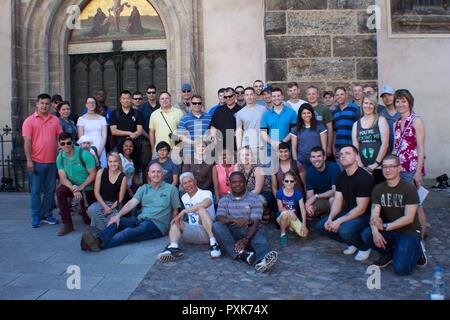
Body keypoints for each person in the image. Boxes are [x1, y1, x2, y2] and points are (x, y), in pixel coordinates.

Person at [80, 163, 181, 251]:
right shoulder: (144, 188)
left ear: (163, 174)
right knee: (117, 222)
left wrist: (171, 227)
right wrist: (118, 216)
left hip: (157, 225)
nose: (156, 174)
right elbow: (131, 203)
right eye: (153, 172)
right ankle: (96, 240)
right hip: (140, 220)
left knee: (128, 232)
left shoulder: (171, 189)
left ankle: (98, 244)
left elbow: (176, 209)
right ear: (149, 174)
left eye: (159, 172)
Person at [361, 155, 427, 274]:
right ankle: (391, 253)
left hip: (409, 231)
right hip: (391, 231)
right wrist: (375, 232)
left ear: (399, 168)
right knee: (367, 234)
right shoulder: (378, 189)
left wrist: (385, 227)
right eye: (385, 167)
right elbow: (374, 214)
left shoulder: (409, 188)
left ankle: (417, 250)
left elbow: (409, 218)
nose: (387, 170)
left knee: (401, 269)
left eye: (392, 166)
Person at [316, 145, 374, 262]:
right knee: (322, 227)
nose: (343, 156)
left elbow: (362, 209)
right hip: (349, 212)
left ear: (356, 157)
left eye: (347, 153)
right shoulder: (341, 177)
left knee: (344, 230)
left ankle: (364, 247)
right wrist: (331, 218)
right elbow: (338, 201)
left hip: (366, 215)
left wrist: (338, 221)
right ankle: (352, 242)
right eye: (341, 154)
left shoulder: (364, 177)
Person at [212, 172, 278, 273]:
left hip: (249, 230)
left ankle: (262, 262)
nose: (237, 184)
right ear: (229, 183)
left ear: (245, 183)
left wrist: (245, 239)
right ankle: (240, 254)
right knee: (216, 226)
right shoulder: (224, 199)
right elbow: (220, 217)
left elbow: (255, 222)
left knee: (261, 241)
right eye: (234, 182)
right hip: (231, 231)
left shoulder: (254, 198)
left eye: (240, 182)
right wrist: (234, 220)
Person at [157, 172, 221, 261]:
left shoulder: (206, 193)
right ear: (182, 186)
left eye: (190, 181)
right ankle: (173, 247)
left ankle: (214, 244)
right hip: (194, 232)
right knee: (176, 221)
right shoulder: (184, 197)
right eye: (184, 183)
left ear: (195, 182)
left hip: (210, 230)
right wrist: (178, 218)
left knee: (201, 209)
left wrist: (184, 211)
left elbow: (206, 203)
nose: (188, 185)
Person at [22, 93, 62, 228]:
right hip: (36, 162)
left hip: (52, 162)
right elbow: (27, 142)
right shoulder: (29, 121)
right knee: (35, 191)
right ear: (37, 104)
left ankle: (47, 214)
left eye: (47, 103)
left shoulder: (55, 120)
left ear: (50, 105)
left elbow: (59, 139)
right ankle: (36, 217)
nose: (44, 106)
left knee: (50, 191)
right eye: (42, 103)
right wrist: (29, 161)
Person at [392, 89, 427, 238]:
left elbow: (420, 147)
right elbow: (395, 147)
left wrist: (418, 172)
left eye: (403, 101)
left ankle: (422, 234)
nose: (400, 104)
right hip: (399, 169)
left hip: (412, 169)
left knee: (416, 204)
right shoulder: (396, 123)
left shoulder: (416, 120)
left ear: (409, 102)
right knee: (404, 203)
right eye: (398, 101)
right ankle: (409, 231)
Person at [56, 133, 97, 236]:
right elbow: (63, 178)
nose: (66, 146)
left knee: (88, 220)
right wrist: (74, 188)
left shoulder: (83, 154)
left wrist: (81, 187)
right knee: (60, 192)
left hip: (87, 187)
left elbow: (93, 174)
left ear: (73, 143)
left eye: (68, 143)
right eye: (63, 143)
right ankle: (68, 224)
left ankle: (84, 210)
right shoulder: (60, 157)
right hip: (73, 185)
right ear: (59, 144)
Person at [352, 94, 389, 184]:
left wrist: (376, 163)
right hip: (363, 167)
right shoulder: (356, 124)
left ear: (374, 106)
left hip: (380, 166)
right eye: (365, 103)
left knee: (380, 194)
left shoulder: (381, 120)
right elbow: (355, 147)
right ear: (362, 105)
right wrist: (360, 165)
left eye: (371, 104)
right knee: (366, 194)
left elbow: (385, 144)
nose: (368, 106)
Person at [87, 152, 127, 230]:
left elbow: (120, 198)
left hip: (115, 205)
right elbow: (96, 192)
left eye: (115, 161)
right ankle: (107, 230)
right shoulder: (101, 172)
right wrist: (105, 207)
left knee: (114, 219)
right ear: (107, 162)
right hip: (101, 202)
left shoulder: (123, 177)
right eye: (110, 161)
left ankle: (106, 229)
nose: (113, 164)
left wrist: (110, 209)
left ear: (119, 162)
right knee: (91, 209)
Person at [235, 147, 274, 224]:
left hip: (263, 193)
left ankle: (265, 211)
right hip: (248, 193)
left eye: (247, 155)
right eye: (242, 155)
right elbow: (236, 185)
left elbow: (257, 190)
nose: (245, 157)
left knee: (257, 199)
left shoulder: (257, 168)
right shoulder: (238, 166)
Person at [110, 90, 143, 174]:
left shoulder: (137, 113)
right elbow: (113, 131)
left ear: (131, 100)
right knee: (117, 169)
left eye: (128, 98)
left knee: (136, 170)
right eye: (123, 98)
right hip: (118, 147)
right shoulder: (115, 113)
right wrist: (129, 133)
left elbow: (139, 130)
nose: (126, 100)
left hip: (133, 147)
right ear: (120, 100)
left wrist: (133, 136)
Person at [305, 147, 340, 219]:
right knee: (310, 208)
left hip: (337, 198)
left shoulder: (333, 167)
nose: (316, 159)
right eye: (313, 157)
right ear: (310, 159)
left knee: (332, 200)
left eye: (319, 156)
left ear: (324, 157)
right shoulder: (309, 171)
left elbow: (335, 191)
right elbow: (310, 194)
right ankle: (322, 218)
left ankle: (333, 221)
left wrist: (316, 196)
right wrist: (309, 205)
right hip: (322, 200)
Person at [261, 87, 297, 157]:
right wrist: (273, 142)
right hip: (270, 149)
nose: (276, 98)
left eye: (278, 96)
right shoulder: (266, 115)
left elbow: (294, 131)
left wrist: (282, 142)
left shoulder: (292, 112)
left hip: (286, 149)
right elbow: (263, 132)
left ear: (282, 97)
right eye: (274, 96)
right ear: (271, 98)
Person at [289, 103, 327, 169]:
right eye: (304, 113)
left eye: (308, 113)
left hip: (317, 159)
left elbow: (324, 146)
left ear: (312, 113)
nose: (306, 115)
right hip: (302, 161)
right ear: (300, 115)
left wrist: (324, 157)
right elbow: (294, 148)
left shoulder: (320, 126)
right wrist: (296, 162)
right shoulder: (296, 129)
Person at [276, 171, 308, 247]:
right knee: (285, 214)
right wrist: (290, 212)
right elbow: (280, 209)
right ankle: (283, 234)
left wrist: (304, 224)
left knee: (304, 234)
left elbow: (303, 210)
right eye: (286, 181)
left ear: (295, 182)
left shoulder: (298, 194)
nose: (289, 183)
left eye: (291, 181)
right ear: (283, 182)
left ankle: (289, 226)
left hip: (293, 217)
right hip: (282, 216)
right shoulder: (279, 193)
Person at [332, 87, 360, 166]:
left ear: (346, 95)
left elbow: (360, 127)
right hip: (339, 148)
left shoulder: (354, 108)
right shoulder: (334, 112)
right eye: (337, 95)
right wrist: (333, 146)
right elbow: (334, 131)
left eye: (341, 94)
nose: (339, 96)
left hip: (351, 147)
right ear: (335, 97)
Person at [77, 97, 108, 168]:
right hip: (86, 147)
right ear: (86, 105)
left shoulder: (102, 119)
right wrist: (88, 151)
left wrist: (99, 152)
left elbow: (104, 136)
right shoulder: (81, 119)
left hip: (100, 146)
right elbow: (81, 137)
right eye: (89, 102)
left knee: (101, 169)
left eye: (93, 102)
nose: (91, 104)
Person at [235, 87, 266, 153]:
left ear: (254, 95)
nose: (249, 97)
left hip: (262, 146)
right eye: (247, 95)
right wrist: (239, 149)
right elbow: (239, 131)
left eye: (251, 94)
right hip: (247, 146)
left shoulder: (263, 109)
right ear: (244, 96)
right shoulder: (240, 113)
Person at [210, 87, 242, 151]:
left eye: (230, 96)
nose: (228, 98)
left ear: (235, 95)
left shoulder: (241, 110)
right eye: (226, 97)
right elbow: (213, 126)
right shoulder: (218, 110)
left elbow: (243, 128)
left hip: (235, 146)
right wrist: (213, 137)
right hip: (220, 146)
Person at [306, 86, 334, 158]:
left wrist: (329, 146)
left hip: (322, 146)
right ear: (306, 96)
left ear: (318, 95)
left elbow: (330, 129)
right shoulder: (304, 109)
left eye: (313, 94)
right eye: (309, 94)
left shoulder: (324, 109)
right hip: (307, 146)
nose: (311, 96)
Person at [140, 85, 160, 169]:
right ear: (146, 94)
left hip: (160, 139)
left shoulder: (161, 105)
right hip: (146, 140)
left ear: (156, 94)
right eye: (149, 92)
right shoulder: (142, 108)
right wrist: (149, 137)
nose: (151, 94)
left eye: (153, 92)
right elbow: (139, 126)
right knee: (146, 164)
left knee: (161, 163)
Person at [379, 85, 400, 154]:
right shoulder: (380, 115)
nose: (387, 98)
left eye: (389, 95)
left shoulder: (403, 112)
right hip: (386, 152)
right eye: (384, 96)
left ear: (395, 96)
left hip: (402, 150)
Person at [119, 138, 140, 203]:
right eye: (126, 146)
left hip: (130, 188)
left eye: (131, 146)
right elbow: (121, 176)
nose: (128, 148)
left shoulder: (133, 160)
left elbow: (135, 179)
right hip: (120, 189)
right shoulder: (119, 157)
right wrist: (130, 192)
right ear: (122, 147)